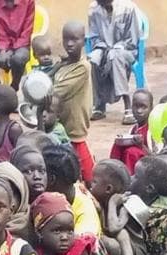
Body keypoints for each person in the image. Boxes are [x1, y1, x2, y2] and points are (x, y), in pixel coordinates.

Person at [50, 22, 96, 180]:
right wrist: (58, 66)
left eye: (74, 39)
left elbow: (57, 91)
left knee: (83, 165)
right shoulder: (65, 64)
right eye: (66, 39)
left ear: (84, 41)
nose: (69, 44)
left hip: (75, 124)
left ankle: (92, 187)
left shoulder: (83, 67)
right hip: (62, 122)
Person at [88, 0, 141, 118]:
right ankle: (99, 105)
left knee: (115, 57)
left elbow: (133, 39)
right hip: (103, 48)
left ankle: (127, 105)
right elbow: (94, 36)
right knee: (93, 59)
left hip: (126, 50)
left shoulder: (128, 8)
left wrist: (115, 48)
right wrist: (103, 48)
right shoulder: (93, 9)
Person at [0, 0, 35, 88]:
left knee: (18, 59)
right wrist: (3, 50)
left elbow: (27, 31)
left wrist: (12, 50)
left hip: (22, 44)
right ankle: (0, 90)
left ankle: (14, 88)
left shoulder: (28, 2)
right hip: (2, 45)